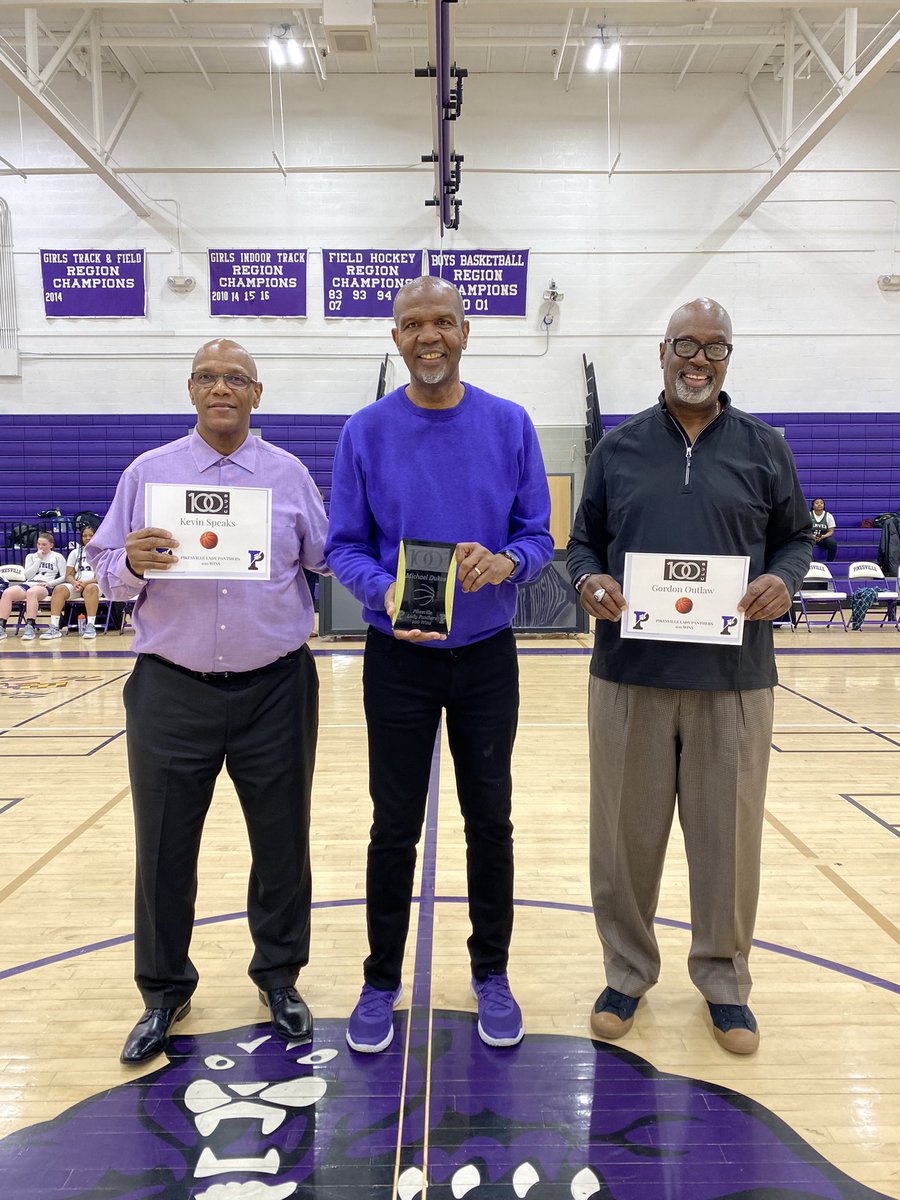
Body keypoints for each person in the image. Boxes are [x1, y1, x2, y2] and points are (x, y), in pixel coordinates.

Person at [567, 298, 812, 1055]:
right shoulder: (619, 449)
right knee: (623, 840)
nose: (699, 359)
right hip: (630, 676)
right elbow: (580, 545)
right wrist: (589, 584)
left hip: (735, 680)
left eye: (715, 347)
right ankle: (628, 971)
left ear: (729, 357)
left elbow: (796, 540)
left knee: (727, 843)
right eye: (686, 345)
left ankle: (724, 981)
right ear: (662, 350)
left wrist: (785, 581)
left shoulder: (766, 447)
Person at [325, 276, 553, 1054]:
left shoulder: (511, 424)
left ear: (466, 331)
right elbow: (343, 547)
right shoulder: (364, 431)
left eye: (444, 322)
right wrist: (382, 592)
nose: (430, 336)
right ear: (395, 338)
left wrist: (505, 563)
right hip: (398, 660)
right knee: (394, 827)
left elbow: (539, 538)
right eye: (413, 324)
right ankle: (379, 979)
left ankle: (492, 972)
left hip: (486, 657)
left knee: (490, 824)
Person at [88, 338, 328, 1065]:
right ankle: (164, 992)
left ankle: (279, 978)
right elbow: (104, 569)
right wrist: (129, 561)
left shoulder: (288, 474)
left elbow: (324, 555)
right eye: (208, 377)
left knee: (282, 845)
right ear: (191, 390)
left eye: (236, 379)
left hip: (276, 685)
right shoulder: (148, 474)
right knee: (163, 847)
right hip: (170, 687)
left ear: (258, 393)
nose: (221, 388)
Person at [0, 531, 67, 641]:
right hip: (29, 583)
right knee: (7, 593)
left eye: (44, 544)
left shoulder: (57, 557)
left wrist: (50, 583)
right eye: (39, 544)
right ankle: (1, 627)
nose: (41, 547)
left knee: (32, 593)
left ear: (51, 545)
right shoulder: (31, 556)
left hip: (45, 585)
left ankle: (30, 626)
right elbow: (27, 575)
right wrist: (38, 560)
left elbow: (64, 576)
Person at [40, 524, 103, 640]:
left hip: (95, 585)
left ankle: (90, 626)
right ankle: (54, 627)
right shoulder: (75, 553)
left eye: (91, 535)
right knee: (59, 589)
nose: (87, 538)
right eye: (84, 536)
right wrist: (74, 583)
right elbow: (68, 575)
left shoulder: (102, 552)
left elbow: (102, 576)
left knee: (90, 589)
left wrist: (85, 583)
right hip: (77, 585)